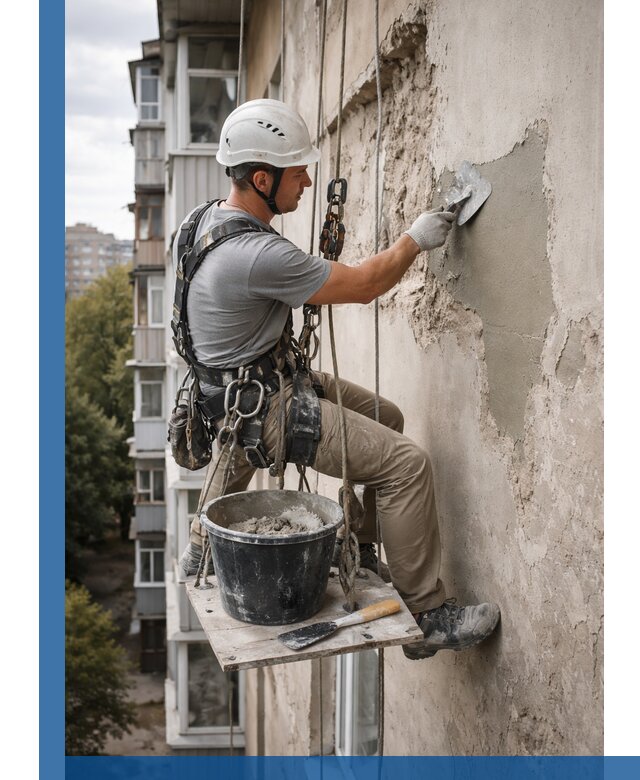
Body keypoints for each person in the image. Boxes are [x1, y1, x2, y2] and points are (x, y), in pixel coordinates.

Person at [174, 99, 500, 660]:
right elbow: (366, 283)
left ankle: (367, 549)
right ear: (261, 178)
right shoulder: (256, 254)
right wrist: (415, 240)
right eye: (296, 171)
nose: (306, 180)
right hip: (265, 405)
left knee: (386, 419)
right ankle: (428, 616)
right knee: (407, 464)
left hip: (242, 387)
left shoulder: (204, 221)